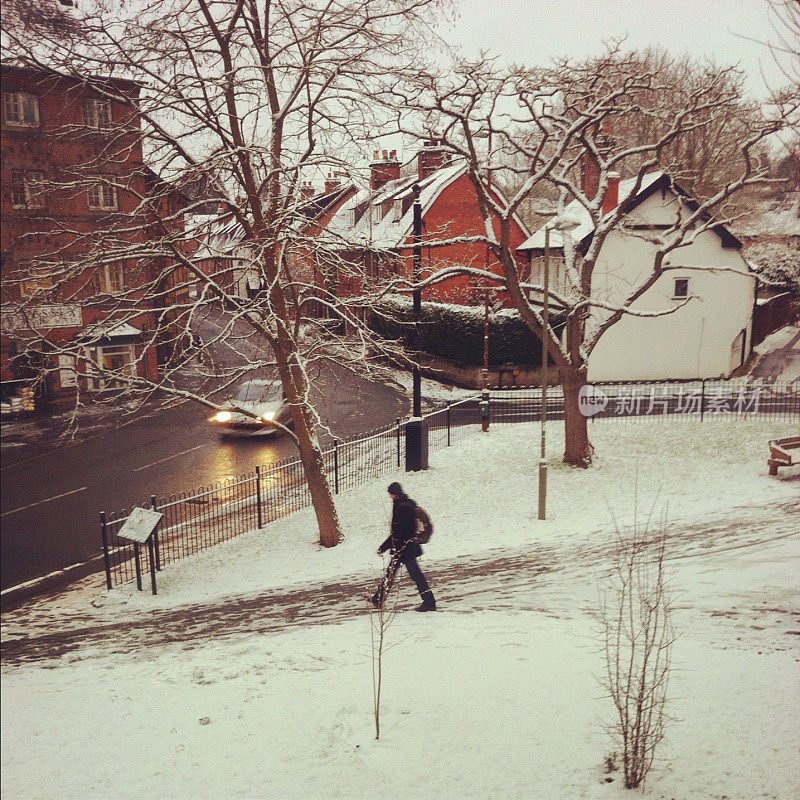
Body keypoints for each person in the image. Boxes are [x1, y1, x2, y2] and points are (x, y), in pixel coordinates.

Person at [370, 482, 436, 612]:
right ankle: (378, 598)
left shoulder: (402, 507)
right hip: (404, 548)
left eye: (391, 494)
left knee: (416, 575)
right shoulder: (405, 504)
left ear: (395, 494)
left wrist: (385, 546)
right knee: (391, 573)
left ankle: (429, 602)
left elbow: (399, 531)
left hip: (405, 549)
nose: (390, 496)